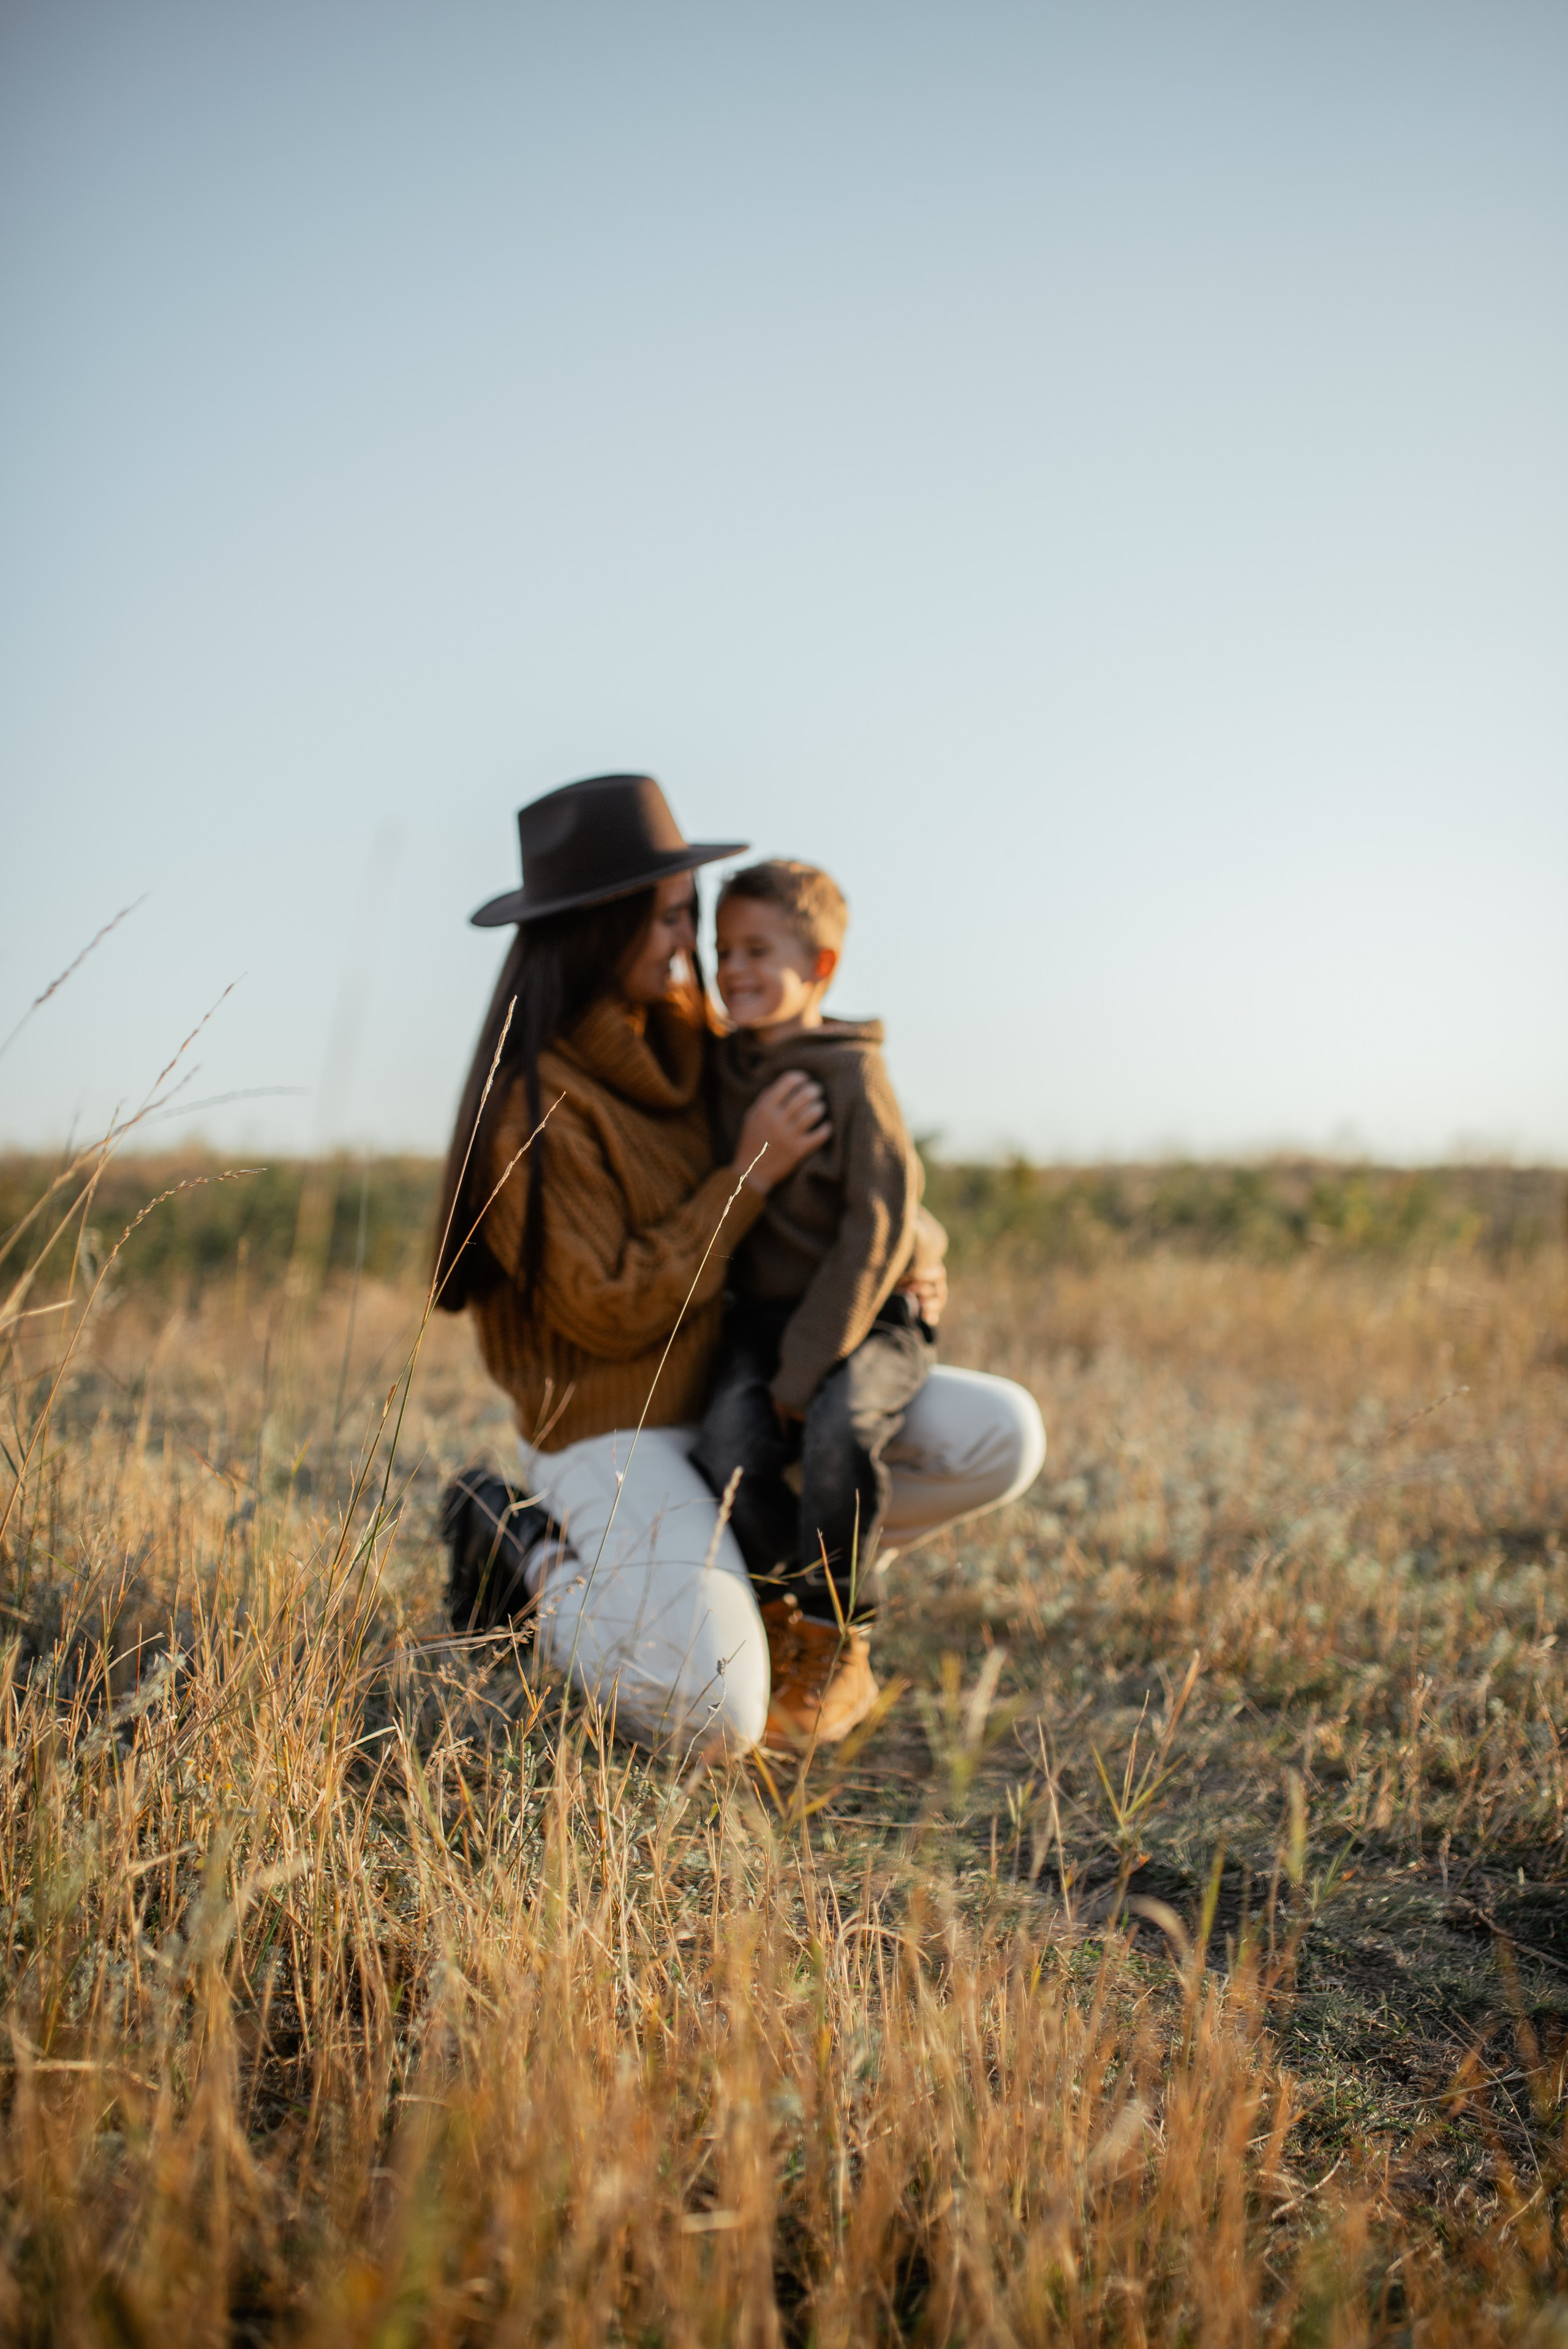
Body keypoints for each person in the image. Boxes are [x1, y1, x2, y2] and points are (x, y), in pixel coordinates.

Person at [435, 773, 1046, 1758]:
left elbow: (844, 1171)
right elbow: (609, 1309)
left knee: (1002, 1437)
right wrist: (745, 1177)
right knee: (712, 1711)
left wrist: (916, 1244)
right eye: (677, 920)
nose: (696, 947)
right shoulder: (533, 1106)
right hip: (613, 1430)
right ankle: (534, 1559)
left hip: (734, 1395)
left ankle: (763, 1586)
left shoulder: (692, 1039)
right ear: (607, 924)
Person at [692, 859, 941, 1745]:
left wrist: (808, 1365)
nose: (734, 969)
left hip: (870, 1315)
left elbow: (880, 1223)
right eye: (723, 950)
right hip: (765, 1319)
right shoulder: (725, 1064)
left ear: (822, 966)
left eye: (759, 949)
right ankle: (779, 1611)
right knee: (724, 1442)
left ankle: (841, 1633)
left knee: (840, 1427)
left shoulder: (852, 1073)